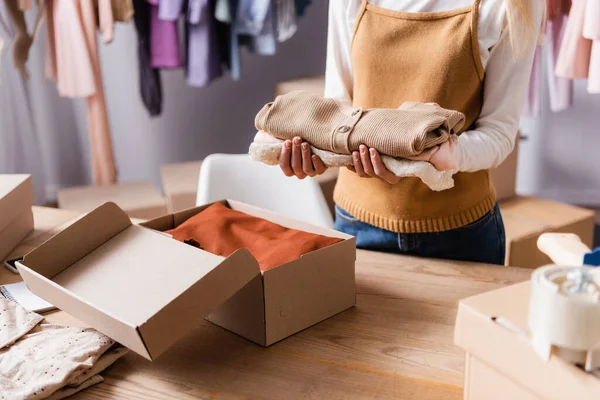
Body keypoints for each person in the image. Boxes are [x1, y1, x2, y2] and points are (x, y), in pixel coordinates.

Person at [275, 0, 544, 265]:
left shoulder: (513, 5)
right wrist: (318, 151)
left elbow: (498, 133)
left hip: (461, 236)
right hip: (358, 225)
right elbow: (339, 107)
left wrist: (442, 154)